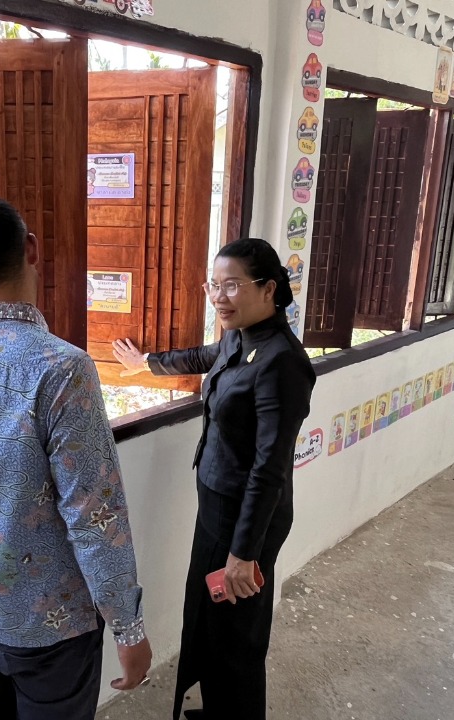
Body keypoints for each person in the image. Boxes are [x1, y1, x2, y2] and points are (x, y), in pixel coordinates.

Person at [0, 196, 152, 720]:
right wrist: (128, 626)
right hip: (51, 620)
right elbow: (95, 514)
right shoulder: (63, 368)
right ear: (31, 249)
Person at [112, 238, 316, 720]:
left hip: (245, 520)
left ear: (268, 289)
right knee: (207, 623)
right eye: (214, 285)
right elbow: (205, 356)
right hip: (217, 508)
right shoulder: (239, 336)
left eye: (232, 286)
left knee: (236, 639)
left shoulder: (282, 362)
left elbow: (269, 468)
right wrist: (146, 364)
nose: (220, 297)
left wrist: (244, 553)